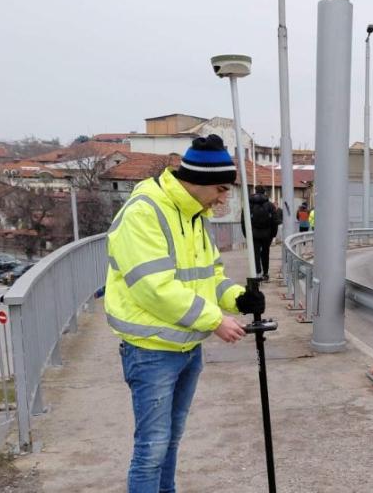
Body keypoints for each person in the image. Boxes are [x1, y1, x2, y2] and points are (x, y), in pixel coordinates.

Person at [105, 134, 265, 492]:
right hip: (150, 351)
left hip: (186, 348)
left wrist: (238, 299)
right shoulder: (144, 212)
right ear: (200, 182)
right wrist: (215, 321)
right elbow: (154, 287)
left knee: (170, 441)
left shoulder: (194, 214)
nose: (223, 198)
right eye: (221, 190)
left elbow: (209, 277)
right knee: (151, 448)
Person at [248, 186, 280, 281]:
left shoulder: (249, 205)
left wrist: (247, 235)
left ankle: (257, 273)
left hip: (254, 233)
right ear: (265, 192)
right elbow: (275, 221)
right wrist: (273, 234)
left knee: (256, 253)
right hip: (267, 234)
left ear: (255, 191)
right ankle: (265, 273)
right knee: (265, 253)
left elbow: (243, 220)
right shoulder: (270, 205)